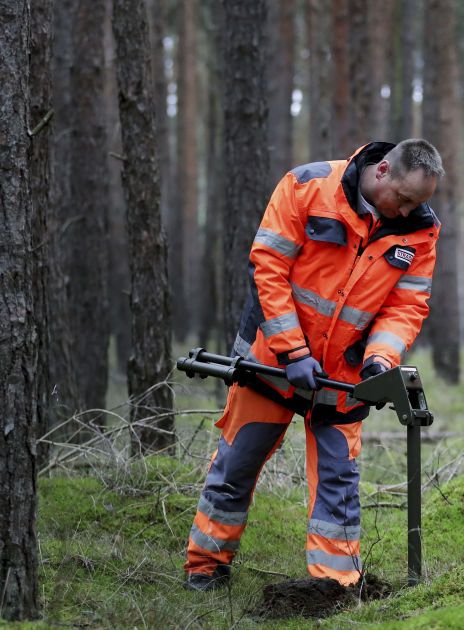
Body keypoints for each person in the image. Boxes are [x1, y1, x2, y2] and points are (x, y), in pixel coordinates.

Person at [184, 139, 444, 591]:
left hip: (344, 378)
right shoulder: (307, 186)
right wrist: (293, 351)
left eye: (417, 203)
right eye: (402, 198)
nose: (405, 211)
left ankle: (335, 585)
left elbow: (407, 305)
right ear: (382, 171)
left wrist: (380, 360)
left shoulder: (421, 231)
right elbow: (268, 266)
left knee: (339, 481)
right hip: (270, 363)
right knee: (236, 463)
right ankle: (205, 566)